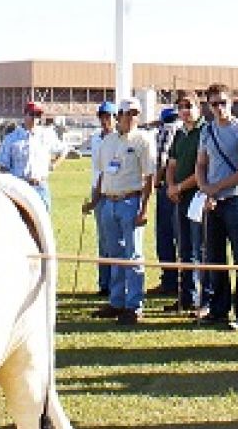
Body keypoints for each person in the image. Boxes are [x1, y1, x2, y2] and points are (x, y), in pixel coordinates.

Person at [87, 97, 155, 325]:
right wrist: (95, 201)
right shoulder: (107, 142)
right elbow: (102, 174)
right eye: (128, 113)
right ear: (120, 115)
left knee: (133, 255)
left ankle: (134, 306)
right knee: (114, 255)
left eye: (136, 113)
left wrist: (144, 208)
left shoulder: (143, 140)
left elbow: (149, 177)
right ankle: (116, 301)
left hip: (131, 201)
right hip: (108, 202)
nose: (132, 117)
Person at [195, 83, 238, 331]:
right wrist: (205, 188)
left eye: (223, 103)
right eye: (214, 104)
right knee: (215, 257)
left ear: (231, 103)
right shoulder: (207, 131)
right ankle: (219, 309)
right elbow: (201, 163)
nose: (219, 108)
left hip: (235, 200)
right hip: (213, 201)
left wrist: (217, 186)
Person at [165, 91, 207, 315]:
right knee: (184, 248)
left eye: (189, 106)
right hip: (179, 198)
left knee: (199, 247)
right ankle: (186, 297)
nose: (185, 110)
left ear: (198, 108)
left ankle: (202, 298)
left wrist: (180, 187)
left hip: (198, 197)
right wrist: (171, 185)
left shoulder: (205, 131)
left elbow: (203, 169)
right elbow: (172, 163)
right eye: (181, 106)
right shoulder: (179, 133)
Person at [0, 101, 67, 210]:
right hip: (19, 187)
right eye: (32, 114)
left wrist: (52, 166)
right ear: (25, 115)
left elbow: (63, 150)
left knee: (42, 223)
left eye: (38, 115)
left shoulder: (47, 135)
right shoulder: (11, 139)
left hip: (40, 187)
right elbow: (3, 166)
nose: (35, 118)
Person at [82, 101, 118, 297]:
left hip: (111, 191)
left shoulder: (118, 139)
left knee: (114, 242)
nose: (106, 120)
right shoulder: (96, 139)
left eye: (109, 117)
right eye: (103, 117)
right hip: (97, 189)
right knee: (103, 241)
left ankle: (115, 284)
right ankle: (104, 283)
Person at [149, 107, 181, 297]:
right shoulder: (185, 130)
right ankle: (187, 283)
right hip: (186, 188)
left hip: (167, 188)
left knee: (166, 236)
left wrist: (155, 182)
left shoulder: (166, 130)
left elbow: (162, 160)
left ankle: (169, 280)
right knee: (185, 239)